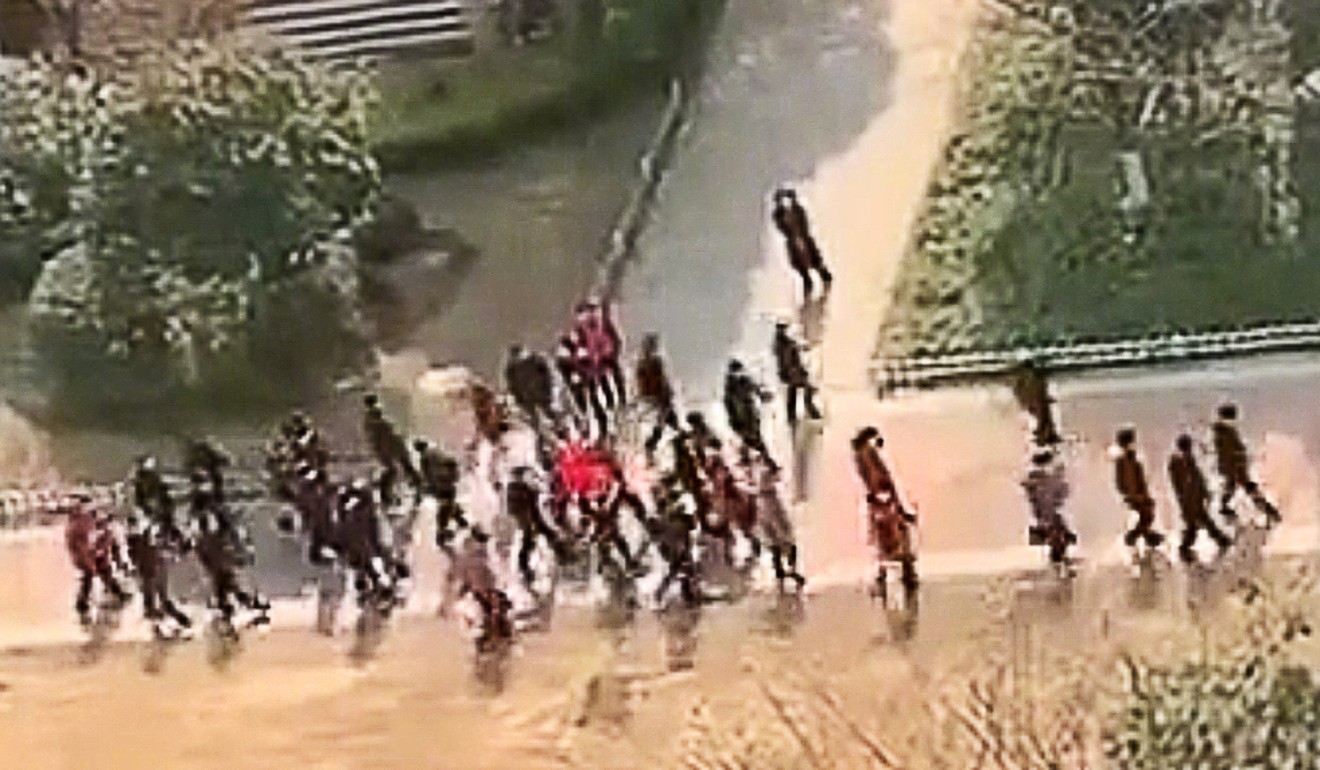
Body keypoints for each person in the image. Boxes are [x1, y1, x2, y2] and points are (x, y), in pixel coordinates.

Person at [64, 498, 130, 626]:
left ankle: (118, 594)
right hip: (86, 554)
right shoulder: (79, 524)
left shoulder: (85, 521)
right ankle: (82, 605)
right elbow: (80, 543)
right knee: (90, 575)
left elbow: (96, 535)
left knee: (102, 572)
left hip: (92, 553)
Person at [1211, 403, 1280, 525]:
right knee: (1248, 489)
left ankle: (1269, 513)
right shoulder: (1225, 433)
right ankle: (1271, 513)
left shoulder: (1225, 432)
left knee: (1234, 488)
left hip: (1234, 468)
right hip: (1235, 468)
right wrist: (1239, 458)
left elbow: (1230, 452)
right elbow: (1228, 453)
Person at [1168, 434, 1232, 563]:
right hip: (1189, 501)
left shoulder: (1188, 460)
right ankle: (1185, 551)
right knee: (1195, 526)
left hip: (1195, 500)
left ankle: (1222, 542)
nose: (1190, 449)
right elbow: (1181, 484)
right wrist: (1187, 498)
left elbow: (1197, 479)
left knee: (1202, 524)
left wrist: (1205, 494)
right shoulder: (1178, 462)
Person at [505, 466, 562, 589]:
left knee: (533, 543)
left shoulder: (527, 491)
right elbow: (521, 512)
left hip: (533, 523)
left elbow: (535, 511)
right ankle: (526, 575)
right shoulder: (518, 491)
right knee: (526, 545)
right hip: (527, 525)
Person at [772, 188, 833, 299]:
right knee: (804, 273)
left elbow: (803, 223)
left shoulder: (798, 210)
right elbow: (782, 227)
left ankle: (827, 291)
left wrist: (800, 236)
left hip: (805, 240)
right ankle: (808, 298)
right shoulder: (779, 215)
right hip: (794, 243)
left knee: (818, 266)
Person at [1021, 448, 1077, 570]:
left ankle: (1059, 558)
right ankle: (1059, 559)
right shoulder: (1039, 478)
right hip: (1045, 512)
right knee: (1056, 528)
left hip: (1046, 513)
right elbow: (1061, 493)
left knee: (1057, 528)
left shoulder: (1038, 478)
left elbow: (1061, 493)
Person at [754, 460, 805, 590]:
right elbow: (779, 479)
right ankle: (788, 569)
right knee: (784, 537)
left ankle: (782, 571)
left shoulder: (757, 465)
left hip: (763, 503)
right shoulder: (763, 467)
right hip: (769, 503)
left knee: (774, 540)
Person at [1112, 427, 1166, 551]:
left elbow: (1139, 478)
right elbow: (1122, 481)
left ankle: (1148, 537)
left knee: (1148, 514)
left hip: (1138, 492)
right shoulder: (1123, 460)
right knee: (1147, 514)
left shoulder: (1132, 457)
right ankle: (1135, 536)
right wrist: (1130, 494)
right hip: (1133, 494)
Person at [415, 440, 468, 554]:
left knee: (445, 506)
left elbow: (426, 474)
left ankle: (443, 531)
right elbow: (451, 461)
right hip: (447, 480)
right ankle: (460, 522)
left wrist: (427, 485)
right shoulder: (437, 450)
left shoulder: (425, 456)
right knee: (448, 503)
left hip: (441, 483)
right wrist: (453, 475)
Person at [636, 333, 681, 456]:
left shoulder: (649, 362)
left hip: (659, 396)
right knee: (663, 422)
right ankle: (650, 447)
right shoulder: (651, 362)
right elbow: (655, 380)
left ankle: (653, 445)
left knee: (667, 420)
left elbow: (659, 379)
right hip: (658, 396)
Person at [772, 321, 823, 425]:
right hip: (793, 372)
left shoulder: (782, 342)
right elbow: (788, 359)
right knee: (806, 389)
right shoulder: (783, 344)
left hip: (790, 373)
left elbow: (793, 351)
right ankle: (811, 412)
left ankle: (793, 416)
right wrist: (796, 371)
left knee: (794, 393)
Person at [722, 360, 772, 460]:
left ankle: (765, 459)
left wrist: (763, 395)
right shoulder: (730, 388)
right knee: (751, 439)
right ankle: (761, 459)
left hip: (749, 413)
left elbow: (755, 389)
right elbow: (729, 405)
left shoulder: (742, 381)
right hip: (741, 417)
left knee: (755, 438)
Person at [1010, 359, 1062, 447]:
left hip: (1033, 399)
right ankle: (1044, 436)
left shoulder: (1022, 379)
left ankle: (1045, 434)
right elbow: (1040, 389)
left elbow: (1018, 391)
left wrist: (1023, 401)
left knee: (1043, 416)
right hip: (1036, 399)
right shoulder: (1035, 378)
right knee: (1044, 416)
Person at [504, 345, 556, 428]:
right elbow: (512, 386)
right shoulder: (511, 369)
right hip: (529, 397)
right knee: (535, 420)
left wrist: (550, 389)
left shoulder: (535, 360)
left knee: (551, 413)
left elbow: (548, 375)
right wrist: (519, 399)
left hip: (541, 393)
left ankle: (558, 428)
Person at [185, 438, 230, 505]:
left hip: (212, 472)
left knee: (216, 484)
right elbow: (190, 465)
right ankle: (211, 501)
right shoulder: (198, 455)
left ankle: (216, 502)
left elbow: (225, 460)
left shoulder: (214, 453)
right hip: (207, 473)